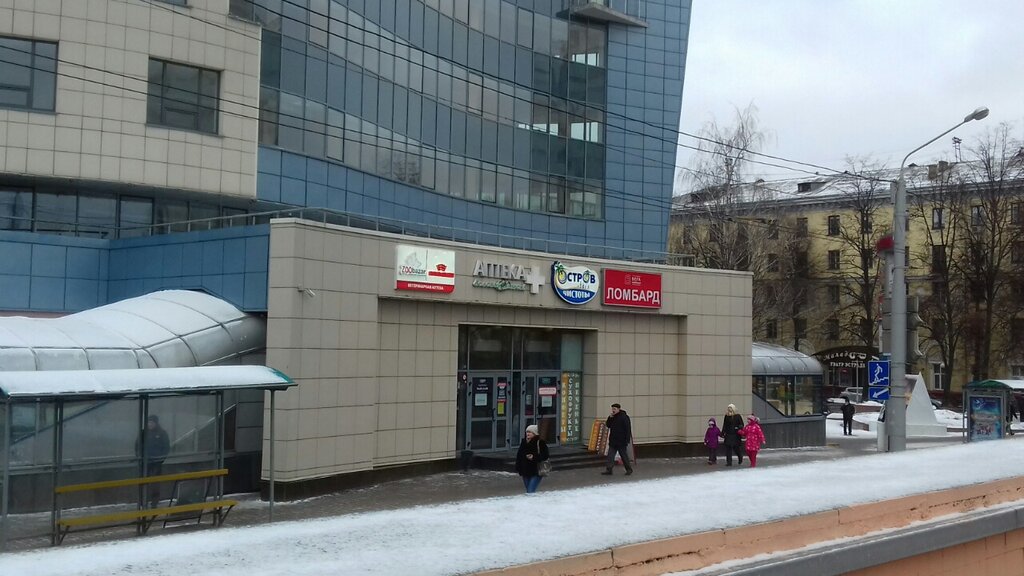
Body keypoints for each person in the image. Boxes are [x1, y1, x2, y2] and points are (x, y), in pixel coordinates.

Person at [136, 414, 171, 508]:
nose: (150, 424)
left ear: (156, 423)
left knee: (155, 483)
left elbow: (166, 447)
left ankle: (154, 502)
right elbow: (137, 446)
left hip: (156, 463)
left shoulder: (162, 433)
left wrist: (161, 459)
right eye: (149, 422)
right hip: (145, 463)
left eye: (152, 422)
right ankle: (142, 501)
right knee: (143, 482)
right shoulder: (143, 433)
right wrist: (140, 457)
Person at [515, 424, 549, 493]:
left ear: (535, 433)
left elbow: (545, 455)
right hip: (525, 471)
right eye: (527, 432)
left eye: (530, 432)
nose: (527, 434)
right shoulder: (524, 442)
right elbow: (519, 455)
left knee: (530, 491)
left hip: (536, 471)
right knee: (529, 491)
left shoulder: (540, 442)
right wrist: (518, 467)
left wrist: (534, 457)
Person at [601, 403, 633, 476]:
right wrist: (610, 418)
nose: (613, 410)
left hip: (621, 441)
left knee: (624, 456)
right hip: (613, 440)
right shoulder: (612, 417)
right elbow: (608, 425)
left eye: (614, 409)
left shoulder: (624, 417)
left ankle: (629, 469)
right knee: (610, 456)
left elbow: (628, 429)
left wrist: (627, 440)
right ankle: (609, 469)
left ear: (619, 409)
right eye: (612, 409)